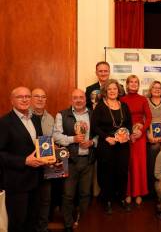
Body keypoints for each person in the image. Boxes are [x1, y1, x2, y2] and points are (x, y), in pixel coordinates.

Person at [0, 86, 45, 232]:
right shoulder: (4, 123)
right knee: (18, 223)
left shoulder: (36, 119)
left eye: (27, 96)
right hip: (17, 183)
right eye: (20, 97)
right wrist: (24, 161)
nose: (25, 99)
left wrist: (50, 154)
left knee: (32, 221)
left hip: (36, 180)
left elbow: (40, 145)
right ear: (12, 100)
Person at [53, 89, 95, 232]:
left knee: (85, 194)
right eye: (75, 98)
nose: (78, 100)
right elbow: (56, 136)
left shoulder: (92, 114)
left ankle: (83, 222)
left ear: (85, 99)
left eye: (81, 97)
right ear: (71, 99)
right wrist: (73, 139)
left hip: (88, 161)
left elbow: (98, 134)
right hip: (70, 161)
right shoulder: (62, 114)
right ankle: (68, 224)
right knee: (68, 195)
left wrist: (92, 142)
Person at [91, 79, 132, 214]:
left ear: (118, 90)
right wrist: (106, 137)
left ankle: (121, 198)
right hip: (107, 145)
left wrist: (126, 134)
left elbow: (129, 125)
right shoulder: (100, 107)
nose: (113, 91)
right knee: (106, 173)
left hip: (123, 145)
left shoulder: (124, 106)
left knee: (121, 172)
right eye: (110, 89)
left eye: (115, 89)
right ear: (105, 91)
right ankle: (107, 200)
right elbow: (94, 126)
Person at [120, 75, 152, 205]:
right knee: (128, 164)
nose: (133, 84)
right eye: (131, 82)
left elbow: (149, 118)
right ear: (127, 85)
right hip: (126, 136)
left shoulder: (143, 99)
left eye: (136, 82)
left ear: (138, 85)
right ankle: (128, 192)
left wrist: (141, 131)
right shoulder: (121, 100)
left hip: (140, 136)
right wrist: (129, 133)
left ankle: (139, 193)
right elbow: (120, 119)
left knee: (139, 165)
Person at [31, 88, 55, 232]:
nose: (40, 99)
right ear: (31, 99)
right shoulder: (25, 118)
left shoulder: (51, 118)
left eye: (43, 97)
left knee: (46, 199)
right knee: (32, 199)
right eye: (37, 96)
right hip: (30, 166)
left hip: (47, 166)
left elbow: (51, 141)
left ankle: (43, 227)